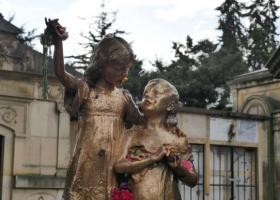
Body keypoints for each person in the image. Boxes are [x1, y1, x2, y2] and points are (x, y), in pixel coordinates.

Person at [47, 20, 143, 199]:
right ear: (102, 64)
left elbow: (142, 124)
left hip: (115, 164)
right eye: (119, 68)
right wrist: (59, 43)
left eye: (126, 69)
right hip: (87, 161)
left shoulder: (124, 97)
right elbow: (61, 74)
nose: (125, 74)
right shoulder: (86, 90)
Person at [114, 79, 198, 200]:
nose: (148, 95)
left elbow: (193, 180)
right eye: (145, 94)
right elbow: (119, 166)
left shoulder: (178, 139)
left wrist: (177, 166)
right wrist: (153, 158)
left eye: (156, 93)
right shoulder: (132, 134)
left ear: (170, 105)